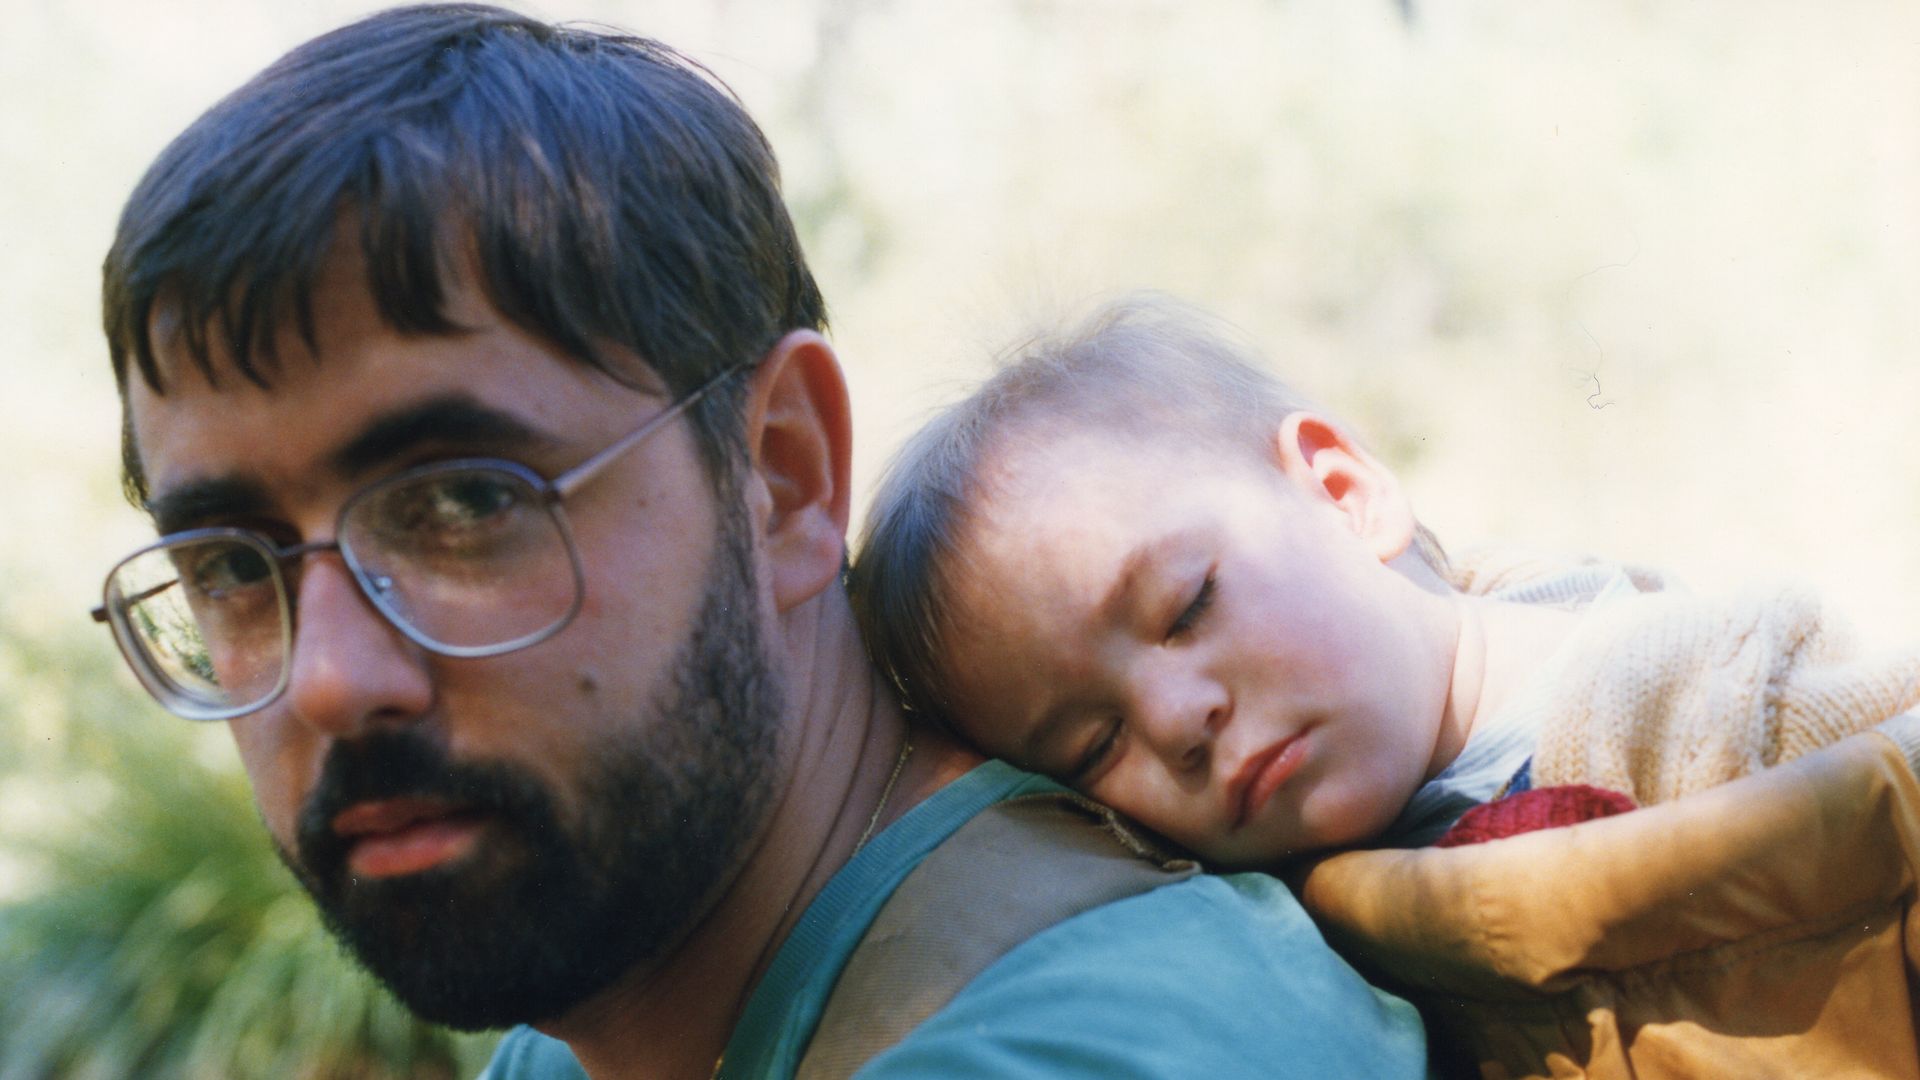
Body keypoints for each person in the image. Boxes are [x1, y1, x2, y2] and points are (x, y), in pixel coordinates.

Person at [90, 6, 1433, 1078]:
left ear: (782, 474)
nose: (329, 681)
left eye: (463, 504)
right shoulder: (595, 1027)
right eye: (229, 568)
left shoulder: (1116, 1040)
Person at [848, 292, 1920, 867]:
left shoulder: (1700, 698)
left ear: (1345, 490)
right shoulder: (1289, 910)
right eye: (1093, 746)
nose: (1178, 720)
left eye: (1187, 607)